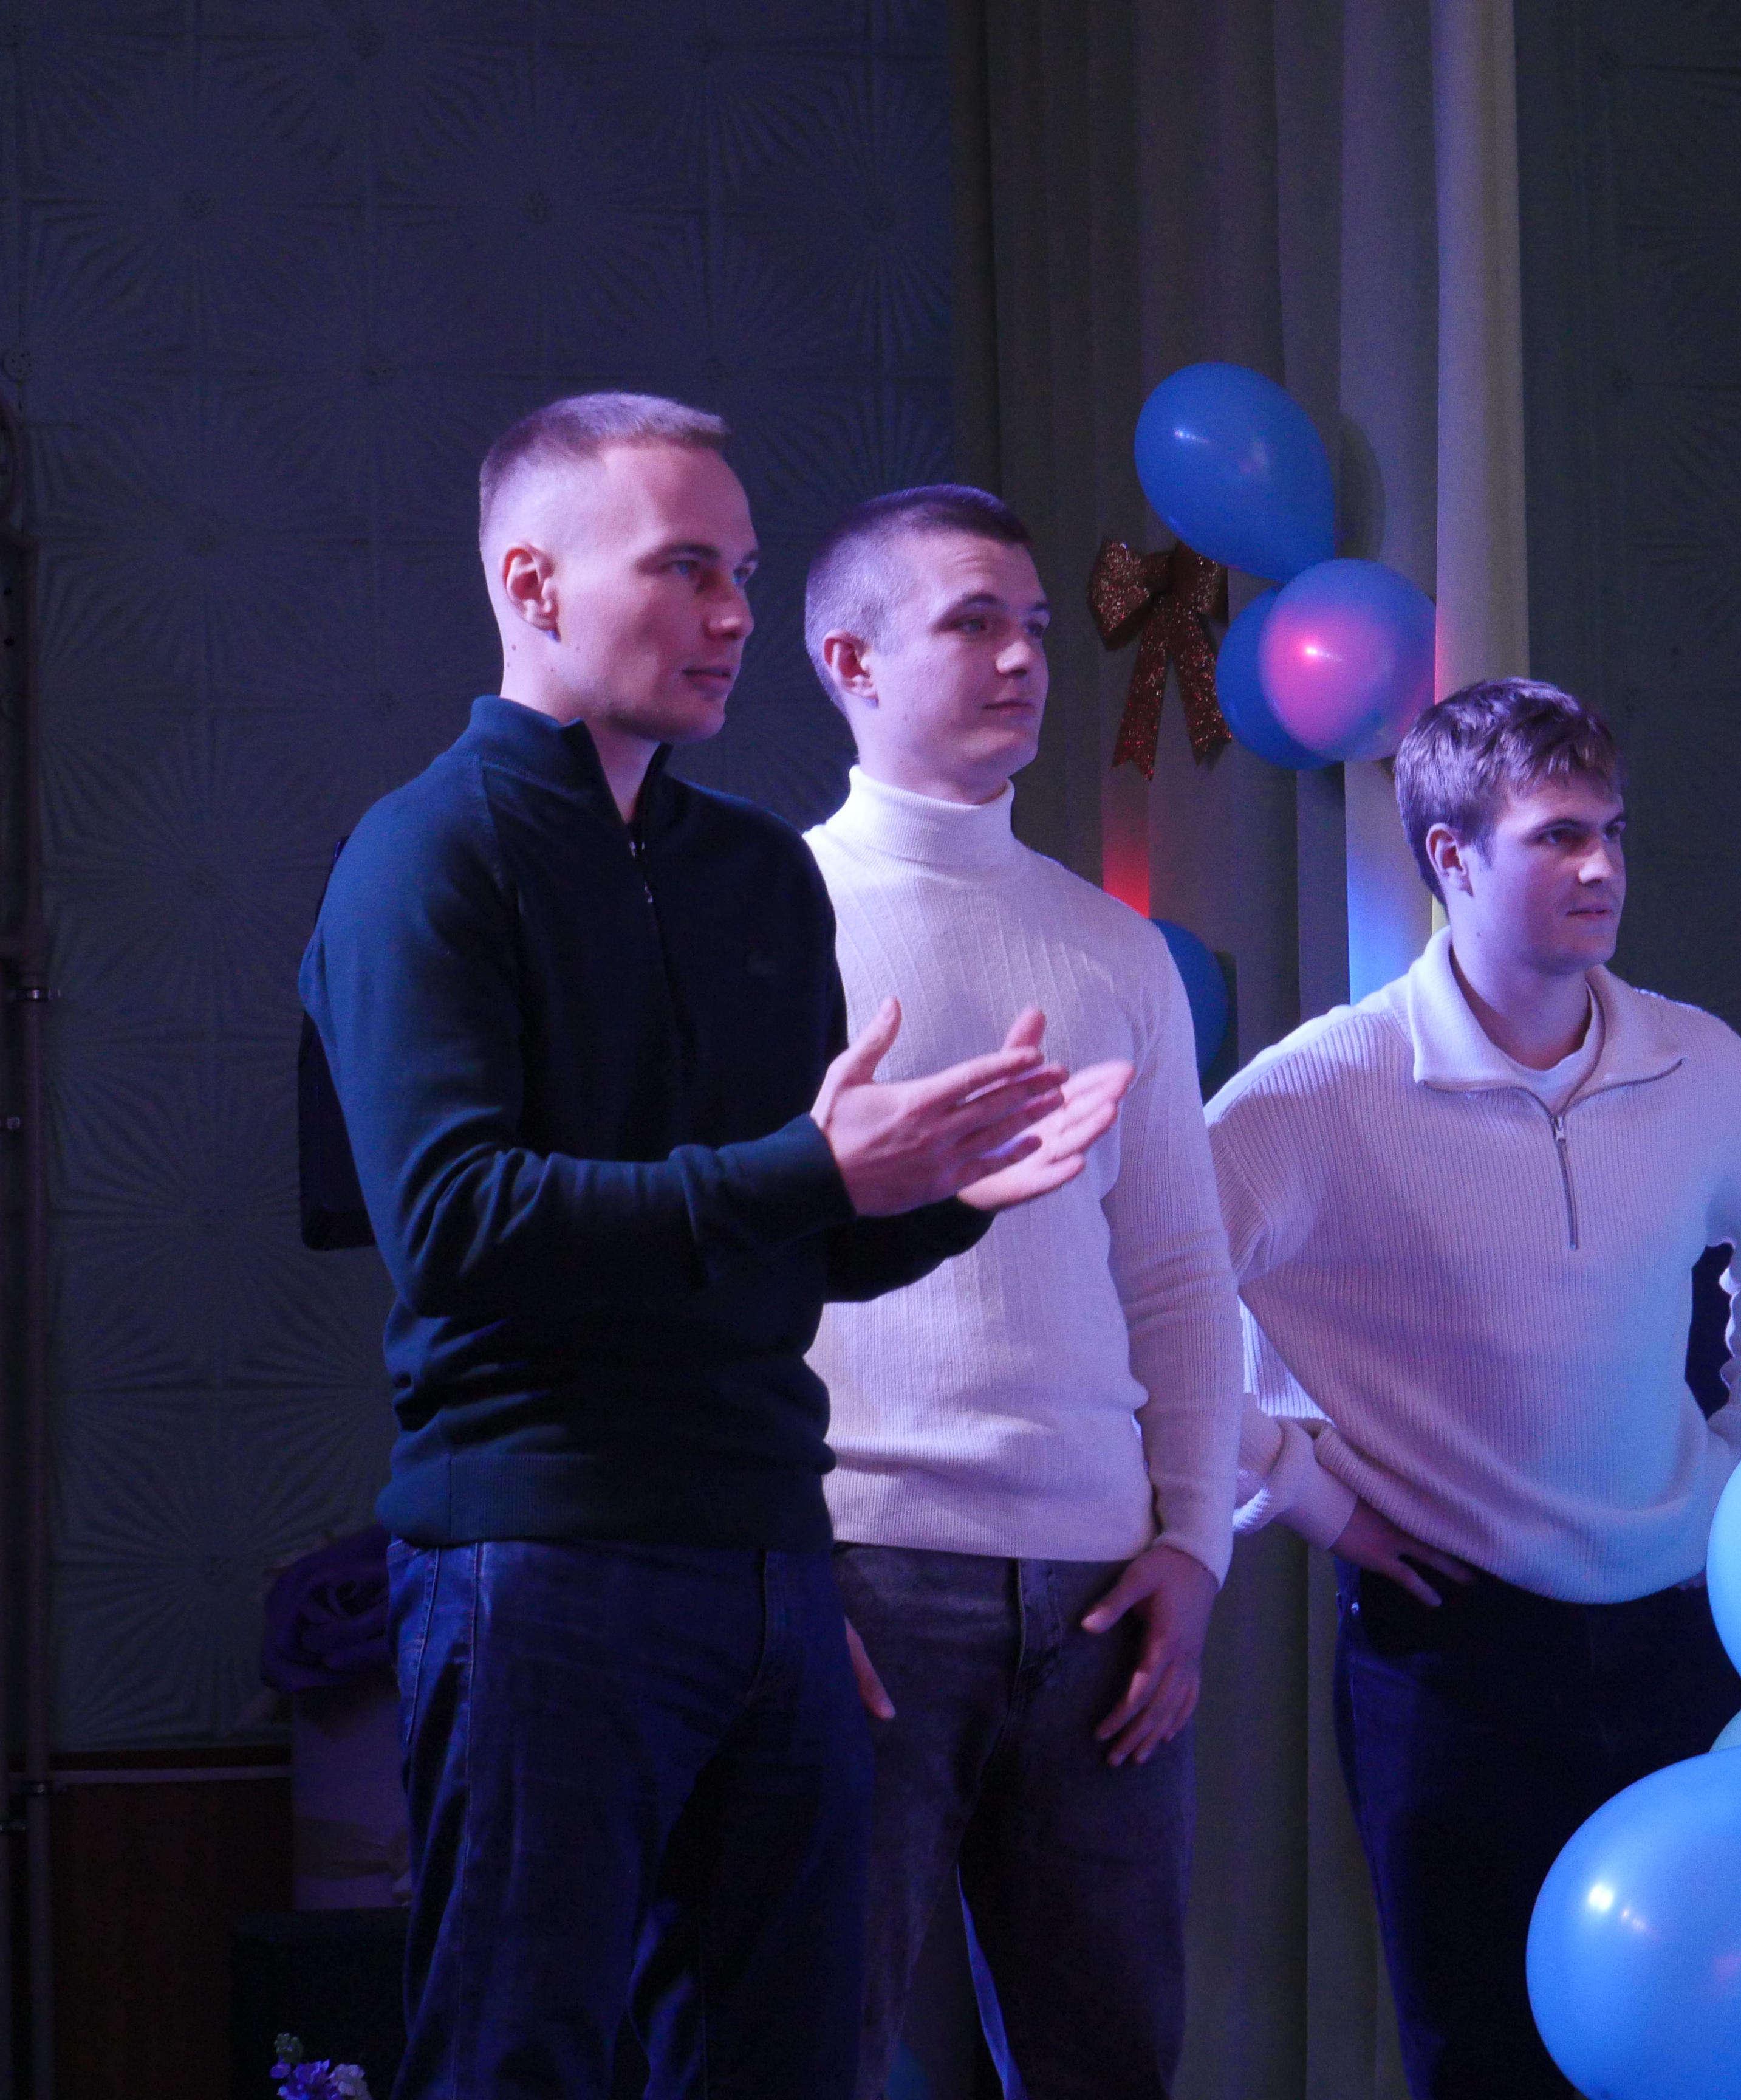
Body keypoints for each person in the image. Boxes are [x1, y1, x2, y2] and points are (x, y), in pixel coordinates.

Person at [298, 396, 1129, 2100]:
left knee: (780, 2067)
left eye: (743, 573)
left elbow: (786, 1240)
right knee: (518, 2062)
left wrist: (942, 1188)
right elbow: (454, 1227)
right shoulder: (424, 855)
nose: (736, 614)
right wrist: (814, 1168)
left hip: (772, 1557)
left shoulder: (752, 869)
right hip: (539, 1546)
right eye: (686, 569)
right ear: (533, 584)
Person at [1217, 678, 1741, 2098]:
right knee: (1485, 2059)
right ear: (1451, 857)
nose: (1602, 866)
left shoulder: (1700, 1060)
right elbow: (1147, 1296)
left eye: (1613, 831)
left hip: (1690, 1632)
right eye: (1558, 835)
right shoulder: (1324, 1086)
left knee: (1731, 2048)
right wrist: (1304, 1492)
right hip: (1454, 1652)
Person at [798, 485, 1242, 2100]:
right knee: (819, 2050)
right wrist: (780, 1565)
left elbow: (1182, 1272)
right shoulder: (769, 919)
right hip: (859, 1570)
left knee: (1108, 2062)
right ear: (852, 661)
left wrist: (1195, 1541)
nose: (1024, 658)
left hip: (1100, 1584)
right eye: (973, 622)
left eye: (1039, 627)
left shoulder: (1112, 948)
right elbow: (717, 1271)